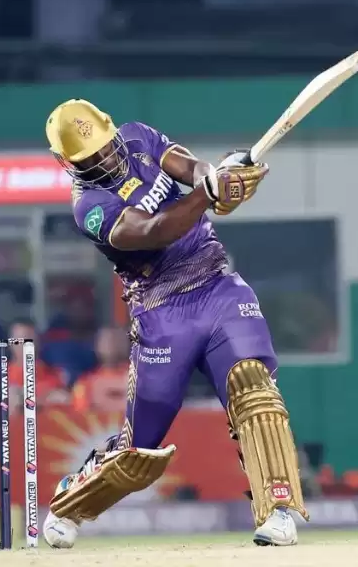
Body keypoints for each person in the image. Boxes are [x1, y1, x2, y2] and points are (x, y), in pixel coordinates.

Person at [41, 99, 306, 549]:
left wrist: (216, 176)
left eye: (104, 146)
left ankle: (278, 509)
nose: (103, 158)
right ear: (67, 162)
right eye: (89, 158)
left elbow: (189, 166)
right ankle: (72, 503)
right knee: (139, 451)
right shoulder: (90, 207)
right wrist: (208, 194)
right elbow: (154, 231)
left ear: (111, 129)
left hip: (217, 285)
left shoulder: (137, 136)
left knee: (253, 386)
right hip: (162, 313)